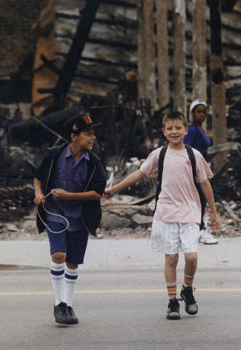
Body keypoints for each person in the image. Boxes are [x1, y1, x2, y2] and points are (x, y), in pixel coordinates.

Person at [105, 111, 220, 320]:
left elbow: (205, 183)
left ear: (186, 130)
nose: (174, 132)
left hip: (190, 211)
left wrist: (213, 211)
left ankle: (187, 288)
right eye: (170, 128)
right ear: (164, 131)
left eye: (178, 128)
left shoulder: (194, 155)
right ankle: (172, 301)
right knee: (171, 258)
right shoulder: (160, 154)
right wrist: (115, 189)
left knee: (192, 257)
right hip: (166, 213)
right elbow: (139, 174)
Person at [33, 113, 107, 325]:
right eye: (88, 134)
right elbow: (38, 177)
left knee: (72, 262)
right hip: (54, 213)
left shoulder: (93, 162)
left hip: (79, 217)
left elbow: (97, 192)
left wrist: (70, 196)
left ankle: (68, 303)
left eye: (94, 134)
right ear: (74, 135)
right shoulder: (53, 155)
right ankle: (59, 304)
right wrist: (39, 193)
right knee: (58, 255)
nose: (93, 138)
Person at [184, 99, 218, 245]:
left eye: (204, 112)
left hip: (201, 170)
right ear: (192, 113)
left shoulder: (201, 130)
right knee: (200, 200)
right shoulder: (191, 130)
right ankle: (199, 230)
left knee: (201, 201)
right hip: (194, 171)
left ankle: (199, 229)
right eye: (199, 112)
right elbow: (186, 150)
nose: (202, 115)